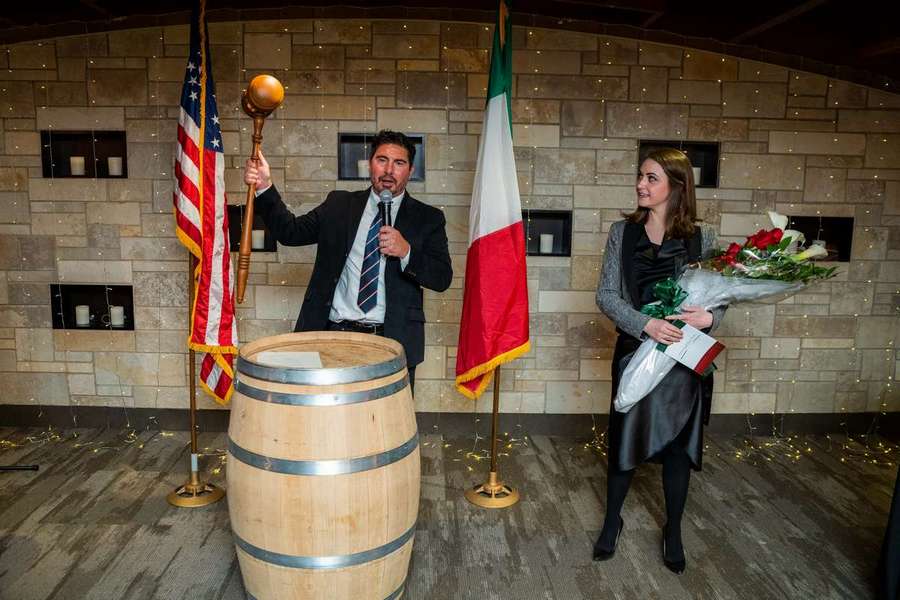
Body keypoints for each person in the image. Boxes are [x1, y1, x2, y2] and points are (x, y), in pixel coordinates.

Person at [593, 147, 726, 574]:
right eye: (640, 176)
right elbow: (606, 295)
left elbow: (719, 299)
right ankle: (612, 521)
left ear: (677, 185)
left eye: (651, 178)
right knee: (624, 439)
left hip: (683, 359)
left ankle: (674, 530)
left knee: (677, 450)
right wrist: (645, 325)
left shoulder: (704, 238)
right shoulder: (622, 232)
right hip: (636, 352)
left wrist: (711, 318)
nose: (640, 185)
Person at [243, 130, 452, 389]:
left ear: (410, 170)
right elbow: (290, 233)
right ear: (370, 164)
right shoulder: (339, 204)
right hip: (332, 334)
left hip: (393, 340)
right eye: (382, 160)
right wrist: (264, 186)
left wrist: (406, 251)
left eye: (399, 163)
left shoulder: (428, 218)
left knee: (386, 415)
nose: (389, 170)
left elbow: (442, 278)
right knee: (327, 410)